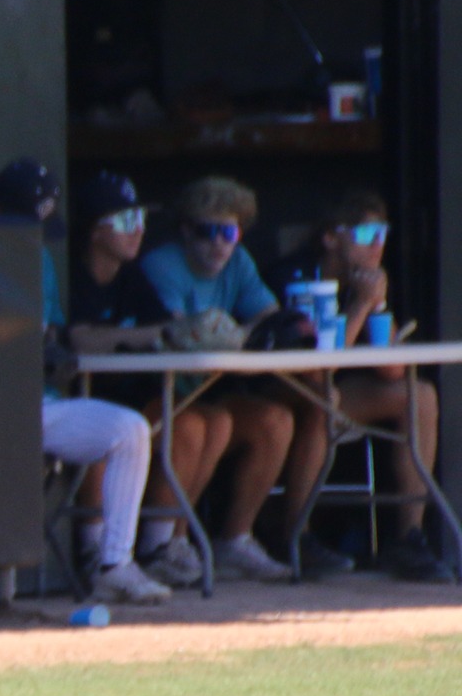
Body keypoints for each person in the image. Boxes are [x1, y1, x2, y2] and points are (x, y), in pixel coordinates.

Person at [0, 160, 170, 604]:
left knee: (129, 430)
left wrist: (51, 349)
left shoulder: (40, 258)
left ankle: (114, 565)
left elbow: (52, 329)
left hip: (37, 407)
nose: (35, 235)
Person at [137, 175, 345, 580]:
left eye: (228, 232)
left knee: (275, 419)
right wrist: (246, 336)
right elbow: (183, 336)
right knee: (203, 424)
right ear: (184, 230)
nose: (219, 243)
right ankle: (170, 543)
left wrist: (262, 333)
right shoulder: (162, 264)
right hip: (159, 394)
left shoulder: (238, 261)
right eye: (206, 232)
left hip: (210, 390)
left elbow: (271, 320)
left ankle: (234, 540)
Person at [66, 171, 231, 589]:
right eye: (124, 221)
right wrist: (148, 334)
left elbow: (167, 328)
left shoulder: (132, 276)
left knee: (205, 422)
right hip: (76, 398)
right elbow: (79, 337)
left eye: (139, 218)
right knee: (109, 429)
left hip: (134, 393)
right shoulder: (71, 273)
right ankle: (93, 546)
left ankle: (159, 545)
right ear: (93, 229)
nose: (137, 229)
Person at [295, 190, 451, 580]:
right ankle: (297, 535)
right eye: (367, 234)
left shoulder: (365, 283)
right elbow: (316, 368)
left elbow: (394, 370)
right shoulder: (297, 276)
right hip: (285, 393)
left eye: (383, 233)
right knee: (323, 395)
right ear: (331, 237)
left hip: (337, 395)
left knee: (420, 395)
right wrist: (360, 307)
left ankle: (408, 537)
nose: (378, 244)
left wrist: (376, 306)